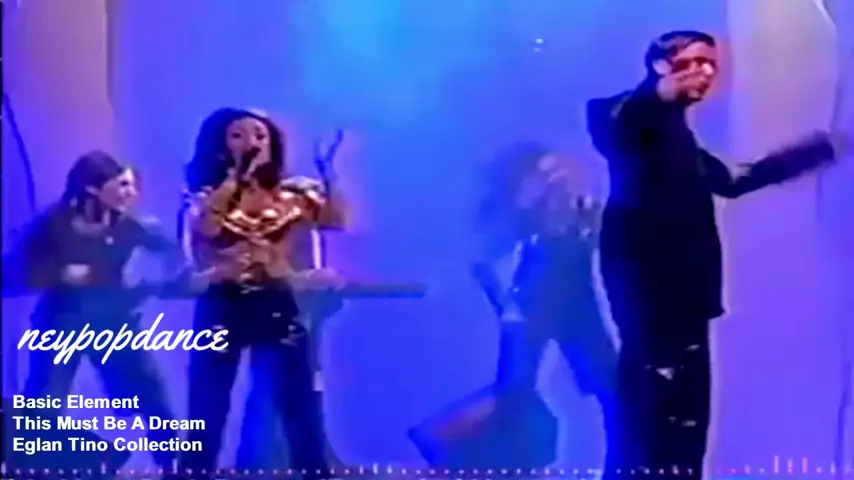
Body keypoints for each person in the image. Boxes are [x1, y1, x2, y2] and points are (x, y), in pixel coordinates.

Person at [586, 30, 850, 479]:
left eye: (710, 64)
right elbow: (623, 125)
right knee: (649, 422)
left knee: (687, 425)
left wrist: (819, 150)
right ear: (660, 65)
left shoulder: (678, 138)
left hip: (688, 299)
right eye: (692, 62)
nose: (705, 73)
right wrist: (658, 94)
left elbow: (734, 180)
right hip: (652, 298)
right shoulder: (622, 116)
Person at [409, 143, 617, 469]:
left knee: (585, 392)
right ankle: (450, 449)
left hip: (560, 302)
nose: (559, 182)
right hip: (538, 299)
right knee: (518, 398)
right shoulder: (527, 243)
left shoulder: (568, 237)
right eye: (547, 176)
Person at [177, 108, 348, 478]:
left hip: (276, 302)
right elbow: (206, 229)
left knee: (299, 403)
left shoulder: (293, 195)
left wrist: (327, 168)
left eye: (259, 135)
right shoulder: (206, 197)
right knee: (207, 405)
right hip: (223, 304)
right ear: (221, 145)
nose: (250, 143)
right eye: (237, 136)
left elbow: (334, 221)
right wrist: (235, 180)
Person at [2, 151, 185, 471]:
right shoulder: (52, 225)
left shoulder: (132, 226)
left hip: (114, 324)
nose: (129, 193)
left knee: (150, 392)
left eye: (130, 185)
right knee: (44, 404)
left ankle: (175, 467)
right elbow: (12, 273)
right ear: (92, 188)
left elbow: (175, 259)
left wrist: (147, 284)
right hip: (60, 327)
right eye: (120, 185)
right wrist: (58, 274)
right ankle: (30, 470)